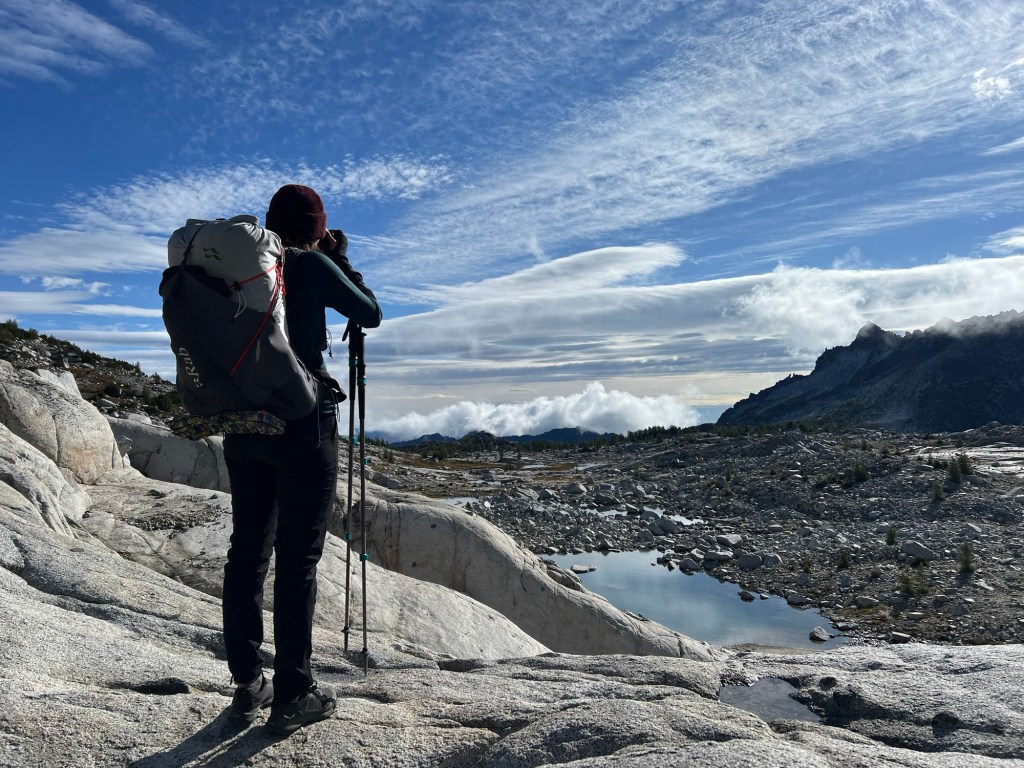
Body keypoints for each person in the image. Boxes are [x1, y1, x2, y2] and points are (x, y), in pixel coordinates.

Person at [222, 184, 382, 735]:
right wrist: (340, 259)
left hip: (244, 424)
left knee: (247, 551)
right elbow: (371, 312)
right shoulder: (312, 266)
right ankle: (294, 691)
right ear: (317, 226)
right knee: (297, 560)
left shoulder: (240, 269)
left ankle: (247, 685)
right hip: (302, 427)